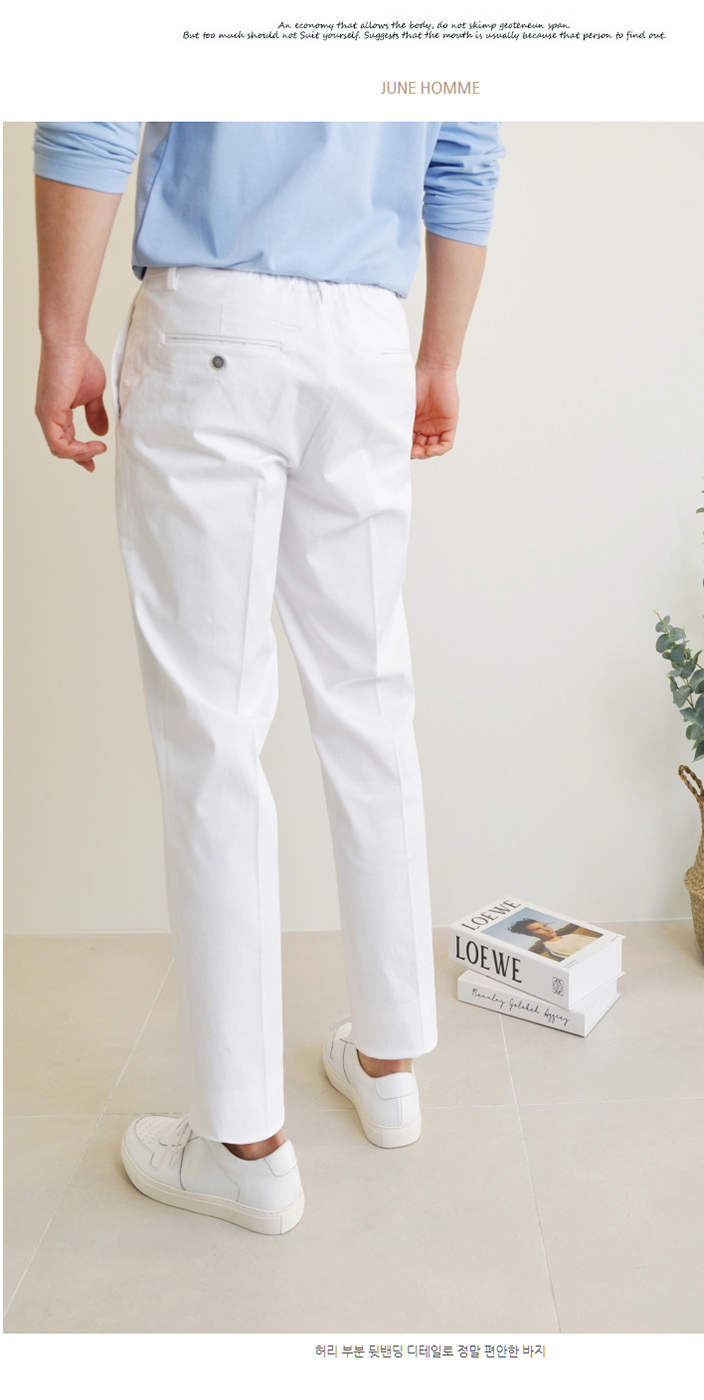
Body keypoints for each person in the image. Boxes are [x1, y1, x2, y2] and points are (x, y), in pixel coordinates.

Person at [33, 121, 504, 1236]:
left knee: (213, 735)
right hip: (366, 337)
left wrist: (61, 331)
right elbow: (463, 155)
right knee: (370, 701)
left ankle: (243, 1144)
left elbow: (93, 116)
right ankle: (388, 1066)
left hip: (215, 322)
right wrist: (438, 358)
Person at [509, 918, 599, 960]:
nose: (547, 929)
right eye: (538, 929)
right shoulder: (554, 948)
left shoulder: (570, 936)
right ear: (530, 935)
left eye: (544, 926)